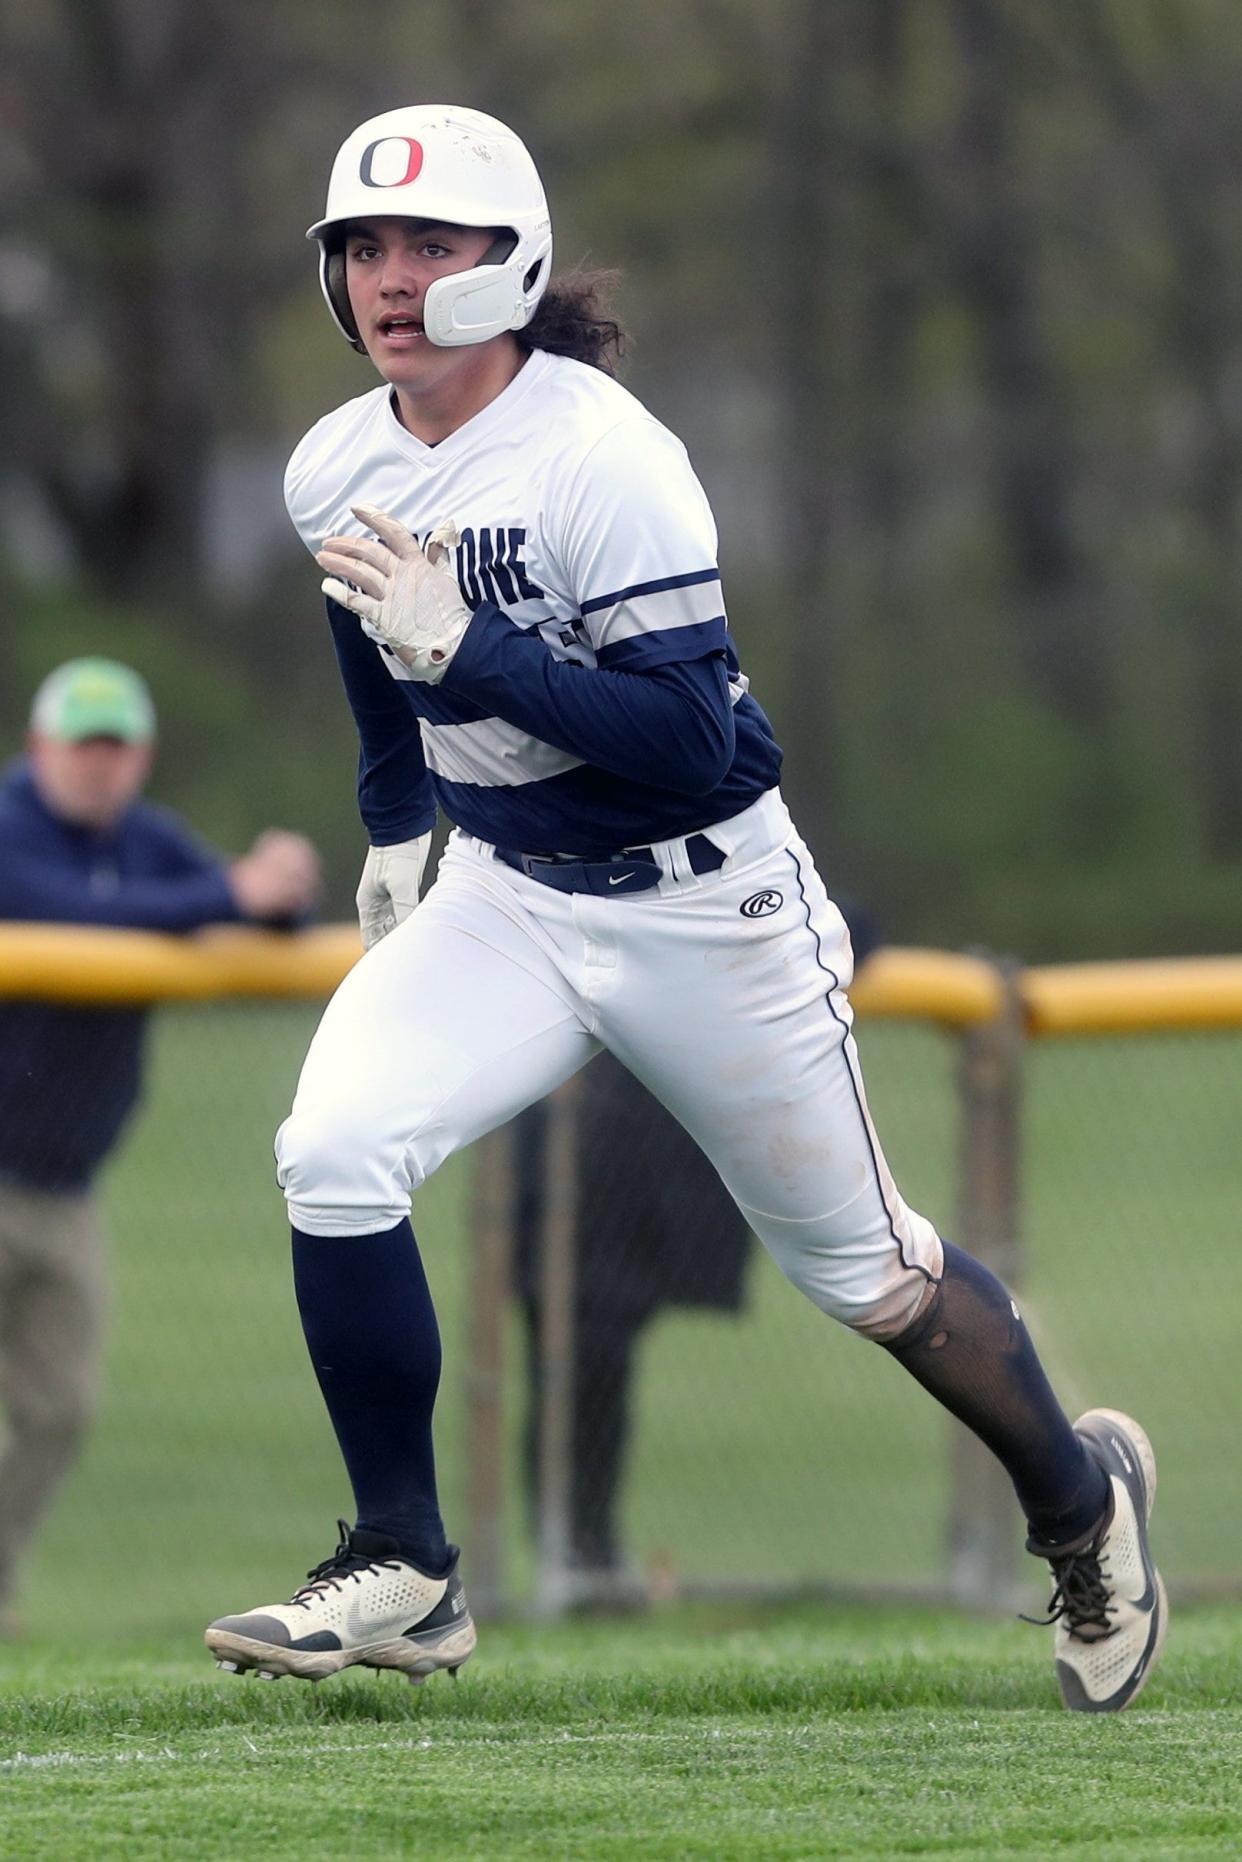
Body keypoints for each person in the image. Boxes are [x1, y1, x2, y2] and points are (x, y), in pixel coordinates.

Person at [205, 106, 1165, 1712]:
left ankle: (1078, 1501)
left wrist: (482, 657)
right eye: (362, 246)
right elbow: (371, 640)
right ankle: (406, 1562)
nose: (386, 276)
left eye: (427, 243)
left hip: (703, 905)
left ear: (505, 264)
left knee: (869, 1276)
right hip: (508, 889)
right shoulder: (335, 459)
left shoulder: (608, 458)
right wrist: (395, 822)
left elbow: (693, 738)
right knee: (332, 1150)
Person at [0, 657, 320, 1626]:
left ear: (139, 756)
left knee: (60, 1409)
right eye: (81, 744)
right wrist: (227, 891)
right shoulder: (11, 826)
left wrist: (278, 887)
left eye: (117, 746)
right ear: (39, 747)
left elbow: (259, 911)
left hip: (68, 1184)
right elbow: (71, 910)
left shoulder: (148, 841)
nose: (99, 766)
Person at [513, 900, 879, 1605]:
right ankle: (577, 1551)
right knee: (575, 1341)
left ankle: (585, 1551)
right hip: (576, 1137)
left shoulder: (713, 860)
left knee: (598, 1341)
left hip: (647, 1140)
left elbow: (840, 925)